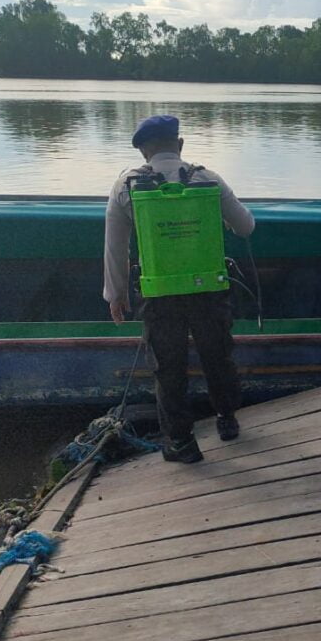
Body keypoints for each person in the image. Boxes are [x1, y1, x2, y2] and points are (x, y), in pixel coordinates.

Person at [103, 115, 256, 464]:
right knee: (217, 356)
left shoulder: (126, 186)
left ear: (143, 151)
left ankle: (182, 443)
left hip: (160, 294)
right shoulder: (207, 178)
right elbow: (245, 227)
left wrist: (116, 294)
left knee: (168, 367)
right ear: (181, 144)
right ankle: (227, 420)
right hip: (208, 289)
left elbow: (115, 247)